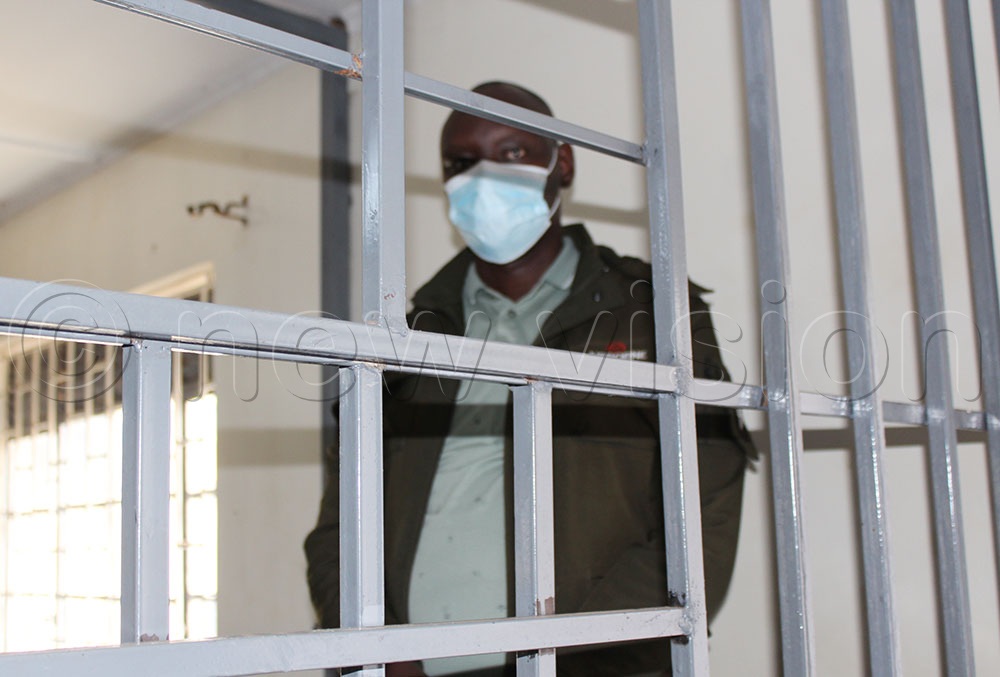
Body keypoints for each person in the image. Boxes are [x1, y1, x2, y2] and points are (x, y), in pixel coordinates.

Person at [305, 81, 755, 677]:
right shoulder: (404, 337)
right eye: (460, 162)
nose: (480, 176)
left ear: (560, 163)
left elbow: (706, 506)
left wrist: (576, 649)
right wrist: (376, 647)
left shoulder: (649, 313)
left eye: (510, 152)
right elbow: (340, 523)